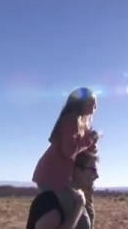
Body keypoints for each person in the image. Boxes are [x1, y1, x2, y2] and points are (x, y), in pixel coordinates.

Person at [32, 87, 103, 224]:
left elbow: (79, 148)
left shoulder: (81, 121)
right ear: (81, 102)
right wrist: (90, 139)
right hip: (52, 176)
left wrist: (92, 143)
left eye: (96, 102)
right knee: (81, 220)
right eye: (92, 101)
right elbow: (69, 151)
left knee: (84, 215)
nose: (95, 105)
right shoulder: (71, 119)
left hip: (58, 177)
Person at [26, 151, 100, 229]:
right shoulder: (49, 200)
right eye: (93, 170)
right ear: (77, 171)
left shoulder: (82, 198)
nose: (97, 176)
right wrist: (79, 206)